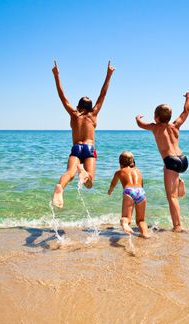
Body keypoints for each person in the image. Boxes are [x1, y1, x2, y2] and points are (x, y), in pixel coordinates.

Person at [52, 60, 115, 208]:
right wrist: (109, 75)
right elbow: (103, 94)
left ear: (78, 106)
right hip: (89, 148)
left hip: (76, 148)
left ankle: (60, 187)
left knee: (69, 173)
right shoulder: (93, 114)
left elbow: (62, 96)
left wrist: (56, 76)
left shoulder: (74, 114)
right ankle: (82, 170)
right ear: (91, 106)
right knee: (89, 183)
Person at [135, 92, 189, 232]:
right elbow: (186, 111)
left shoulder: (155, 127)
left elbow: (140, 124)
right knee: (171, 178)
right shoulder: (175, 125)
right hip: (183, 160)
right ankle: (178, 182)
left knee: (172, 197)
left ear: (156, 117)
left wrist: (137, 118)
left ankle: (177, 226)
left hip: (171, 162)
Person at [108, 152, 150, 238]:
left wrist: (110, 191)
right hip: (141, 192)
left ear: (120, 162)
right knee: (141, 220)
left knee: (126, 217)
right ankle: (145, 235)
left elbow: (113, 184)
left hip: (129, 191)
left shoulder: (119, 172)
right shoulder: (138, 171)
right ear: (132, 162)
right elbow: (141, 185)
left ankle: (125, 224)